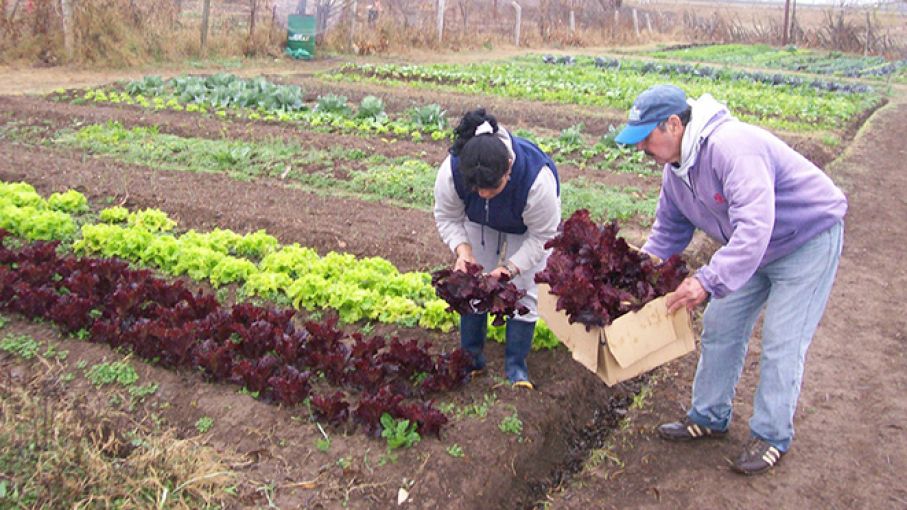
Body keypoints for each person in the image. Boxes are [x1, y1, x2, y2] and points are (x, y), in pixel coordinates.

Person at [614, 84, 846, 475]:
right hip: (751, 249)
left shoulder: (731, 148)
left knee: (781, 341)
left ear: (673, 124)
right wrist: (640, 279)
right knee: (721, 324)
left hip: (805, 240)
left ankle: (772, 435)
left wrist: (707, 280)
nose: (642, 150)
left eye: (646, 139)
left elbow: (755, 227)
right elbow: (668, 234)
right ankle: (708, 416)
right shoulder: (676, 173)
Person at [434, 109, 561, 390]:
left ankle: (516, 366)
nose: (483, 195)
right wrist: (463, 251)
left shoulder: (536, 181)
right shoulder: (453, 171)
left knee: (522, 289)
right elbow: (447, 216)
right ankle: (471, 358)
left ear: (509, 169)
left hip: (527, 229)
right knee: (474, 284)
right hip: (480, 223)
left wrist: (510, 268)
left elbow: (542, 236)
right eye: (476, 189)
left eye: (492, 188)